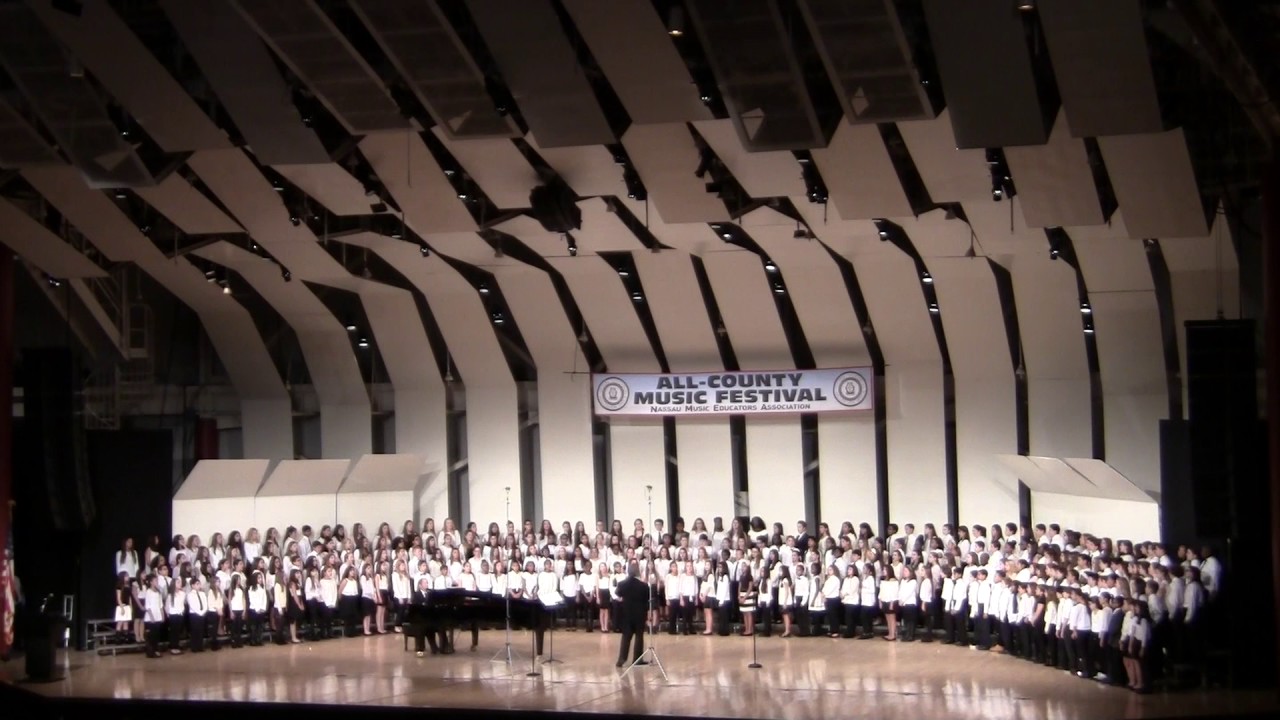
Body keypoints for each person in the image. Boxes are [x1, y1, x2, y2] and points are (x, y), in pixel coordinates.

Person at [614, 562, 648, 668]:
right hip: (639, 614)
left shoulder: (622, 584)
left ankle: (621, 659)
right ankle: (637, 660)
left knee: (626, 637)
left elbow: (618, 594)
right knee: (639, 637)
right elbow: (646, 599)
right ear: (638, 572)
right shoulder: (643, 586)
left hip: (627, 614)